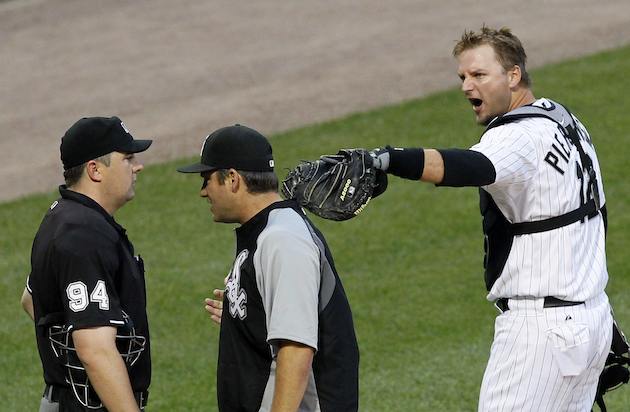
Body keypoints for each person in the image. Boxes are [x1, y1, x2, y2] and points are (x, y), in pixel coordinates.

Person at [366, 26, 613, 410]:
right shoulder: (563, 119)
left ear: (513, 76)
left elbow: (470, 166)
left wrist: (389, 159)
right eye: (463, 77)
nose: (467, 86)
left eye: (479, 75)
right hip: (590, 316)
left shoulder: (516, 137)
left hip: (541, 332)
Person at [177, 124, 359, 412]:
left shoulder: (282, 239)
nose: (203, 192)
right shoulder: (267, 231)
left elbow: (297, 347)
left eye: (206, 178)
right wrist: (248, 319)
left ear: (233, 179)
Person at [20, 116, 152, 411]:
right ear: (95, 169)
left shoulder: (63, 216)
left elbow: (31, 299)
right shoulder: (84, 234)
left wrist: (64, 357)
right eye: (127, 158)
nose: (138, 166)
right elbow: (95, 349)